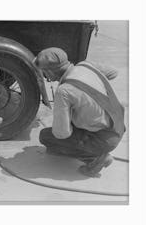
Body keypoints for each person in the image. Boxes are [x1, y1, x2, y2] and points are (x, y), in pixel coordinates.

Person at [35, 47, 125, 177]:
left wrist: (65, 117)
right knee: (76, 114)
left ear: (50, 72)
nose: (45, 76)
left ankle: (95, 158)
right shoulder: (85, 65)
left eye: (44, 73)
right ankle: (96, 147)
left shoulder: (64, 91)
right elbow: (113, 73)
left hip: (104, 139)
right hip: (118, 126)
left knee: (46, 137)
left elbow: (62, 133)